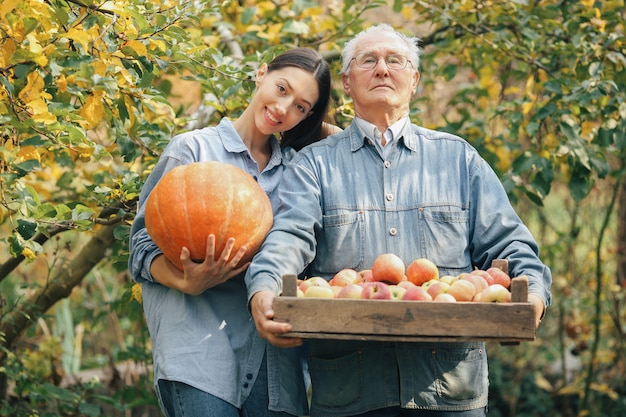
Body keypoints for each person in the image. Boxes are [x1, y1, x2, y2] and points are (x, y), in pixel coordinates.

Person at [245, 24, 552, 417]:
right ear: (347, 82)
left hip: (449, 392)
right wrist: (263, 291)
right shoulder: (314, 166)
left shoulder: (458, 160)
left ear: (415, 80)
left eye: (395, 60)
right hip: (349, 394)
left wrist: (534, 298)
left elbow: (512, 245)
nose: (382, 69)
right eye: (368, 60)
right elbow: (287, 239)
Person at [128, 47, 333, 417]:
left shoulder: (298, 172)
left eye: (302, 107)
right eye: (282, 89)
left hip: (273, 364)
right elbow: (141, 244)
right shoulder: (192, 150)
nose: (284, 109)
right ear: (261, 74)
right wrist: (184, 280)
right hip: (198, 355)